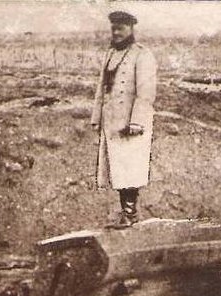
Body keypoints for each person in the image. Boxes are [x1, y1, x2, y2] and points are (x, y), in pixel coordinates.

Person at [91, 10, 157, 229]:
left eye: (120, 28)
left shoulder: (142, 54)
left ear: (130, 29)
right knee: (118, 170)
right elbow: (102, 88)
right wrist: (97, 117)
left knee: (130, 169)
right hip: (112, 122)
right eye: (113, 28)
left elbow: (145, 92)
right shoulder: (109, 54)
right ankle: (125, 213)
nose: (116, 33)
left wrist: (137, 122)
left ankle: (130, 214)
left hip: (131, 124)